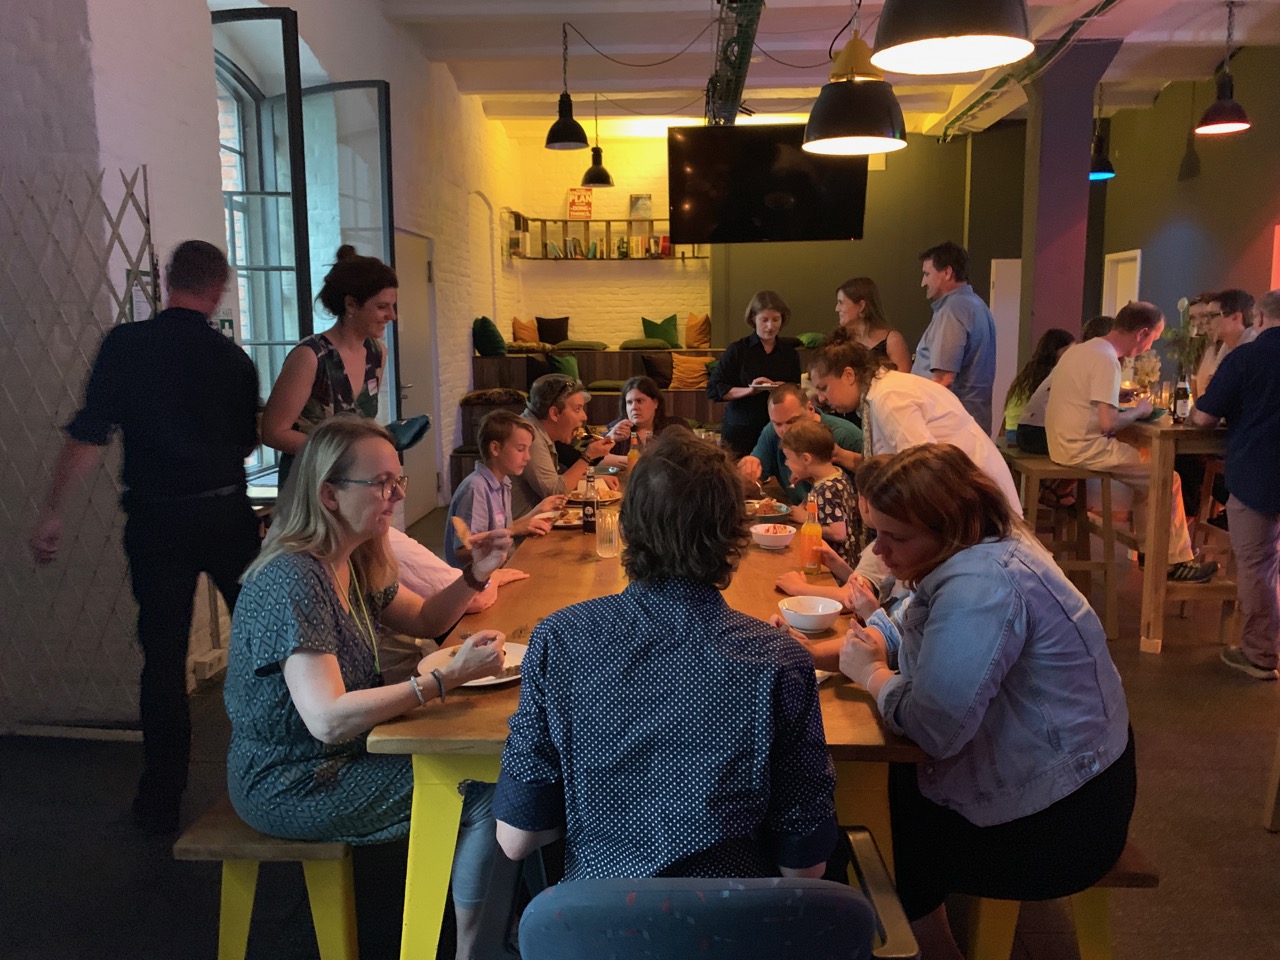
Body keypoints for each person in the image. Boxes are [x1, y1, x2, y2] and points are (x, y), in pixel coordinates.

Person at [224, 416, 514, 959]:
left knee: (496, 772)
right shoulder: (295, 577)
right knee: (485, 790)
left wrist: (475, 575)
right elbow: (328, 718)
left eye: (397, 480)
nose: (398, 494)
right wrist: (440, 680)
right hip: (292, 777)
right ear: (329, 494)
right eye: (381, 483)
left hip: (340, 754)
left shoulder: (354, 559)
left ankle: (488, 927)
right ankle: (476, 948)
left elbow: (426, 620)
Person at [493, 430, 838, 880]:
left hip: (600, 932)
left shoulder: (561, 639)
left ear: (628, 528)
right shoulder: (780, 660)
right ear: (735, 538)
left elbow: (516, 838)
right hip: (730, 930)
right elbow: (804, 869)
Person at [837, 444, 1135, 960]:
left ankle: (927, 948)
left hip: (1067, 823)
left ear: (946, 528)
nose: (879, 551)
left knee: (870, 827)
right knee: (891, 793)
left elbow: (934, 728)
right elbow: (918, 636)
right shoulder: (983, 546)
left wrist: (873, 676)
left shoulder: (982, 583)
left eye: (895, 536)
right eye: (877, 532)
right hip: (1078, 783)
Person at [30, 240, 260, 835]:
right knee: (266, 641)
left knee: (162, 659)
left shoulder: (124, 347)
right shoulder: (233, 361)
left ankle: (161, 797)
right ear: (220, 290)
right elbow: (245, 444)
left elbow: (88, 434)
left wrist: (53, 510)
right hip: (225, 513)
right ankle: (276, 763)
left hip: (156, 520)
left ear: (166, 280)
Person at [1045, 301, 1217, 583]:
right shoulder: (1106, 359)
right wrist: (1140, 410)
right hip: (1082, 448)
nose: (1149, 347)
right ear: (1142, 333)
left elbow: (1090, 407)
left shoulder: (1083, 350)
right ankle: (1173, 562)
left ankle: (1154, 552)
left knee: (1148, 464)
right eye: (1152, 339)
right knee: (1166, 478)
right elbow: (1108, 423)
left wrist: (1120, 405)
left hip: (1062, 441)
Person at [807, 330, 1020, 513]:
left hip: (979, 503)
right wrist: (842, 456)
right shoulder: (882, 390)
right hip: (963, 494)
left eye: (824, 388)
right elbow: (894, 462)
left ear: (848, 375)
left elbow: (922, 472)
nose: (822, 399)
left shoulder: (889, 397)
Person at [1191, 289, 1280, 680]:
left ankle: (1260, 653)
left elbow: (1203, 419)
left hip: (1259, 471)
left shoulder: (1247, 358)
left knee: (1257, 564)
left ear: (1257, 317)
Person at [261, 245, 397, 487]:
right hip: (307, 486)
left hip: (354, 484)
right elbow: (273, 432)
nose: (392, 315)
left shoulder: (377, 353)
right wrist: (339, 453)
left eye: (392, 306)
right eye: (382, 306)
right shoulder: (310, 356)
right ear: (351, 305)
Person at [443, 410, 564, 567]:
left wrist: (537, 511)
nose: (528, 457)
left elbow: (502, 528)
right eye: (521, 449)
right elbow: (464, 551)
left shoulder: (503, 482)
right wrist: (514, 531)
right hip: (478, 582)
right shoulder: (476, 488)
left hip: (502, 567)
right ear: (495, 448)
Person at [912, 242, 998, 434]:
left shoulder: (952, 310)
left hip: (951, 429)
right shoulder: (977, 305)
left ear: (947, 273)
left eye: (927, 274)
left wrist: (914, 421)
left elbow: (943, 379)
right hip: (970, 424)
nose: (923, 283)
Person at [707, 290, 803, 457]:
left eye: (776, 319)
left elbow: (797, 391)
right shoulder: (738, 350)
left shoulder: (790, 353)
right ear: (753, 319)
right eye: (764, 320)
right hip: (741, 430)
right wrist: (750, 390)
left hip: (779, 429)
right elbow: (714, 389)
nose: (770, 326)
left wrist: (785, 388)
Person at [510, 374, 614, 519]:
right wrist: (588, 456)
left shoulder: (538, 429)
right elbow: (554, 491)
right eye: (577, 409)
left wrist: (593, 478)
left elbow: (555, 480)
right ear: (554, 413)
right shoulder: (529, 435)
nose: (584, 417)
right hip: (519, 539)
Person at [737, 383, 863, 504]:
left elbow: (874, 495)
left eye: (792, 421)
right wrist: (748, 473)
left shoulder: (845, 436)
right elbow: (749, 486)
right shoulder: (771, 432)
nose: (785, 430)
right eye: (777, 424)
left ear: (810, 409)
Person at [779, 419, 860, 562]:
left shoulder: (826, 489)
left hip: (834, 568)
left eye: (788, 458)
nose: (786, 463)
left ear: (806, 459)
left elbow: (838, 533)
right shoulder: (837, 474)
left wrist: (806, 519)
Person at [1002, 328, 1075, 444]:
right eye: (1068, 351)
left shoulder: (1029, 372)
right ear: (1056, 351)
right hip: (1027, 433)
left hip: (1011, 430)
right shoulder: (1052, 375)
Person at [834, 276, 911, 373]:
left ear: (861, 306)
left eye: (841, 303)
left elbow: (904, 383)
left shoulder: (892, 341)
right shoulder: (839, 342)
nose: (837, 309)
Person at [602, 375, 689, 456]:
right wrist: (609, 438)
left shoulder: (676, 426)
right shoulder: (615, 428)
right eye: (629, 402)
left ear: (655, 403)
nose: (634, 407)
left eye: (639, 401)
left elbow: (694, 456)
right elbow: (593, 459)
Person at [1196, 289, 1258, 395]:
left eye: (1212, 315)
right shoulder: (1226, 346)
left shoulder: (1255, 349)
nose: (1206, 322)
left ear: (1235, 317)